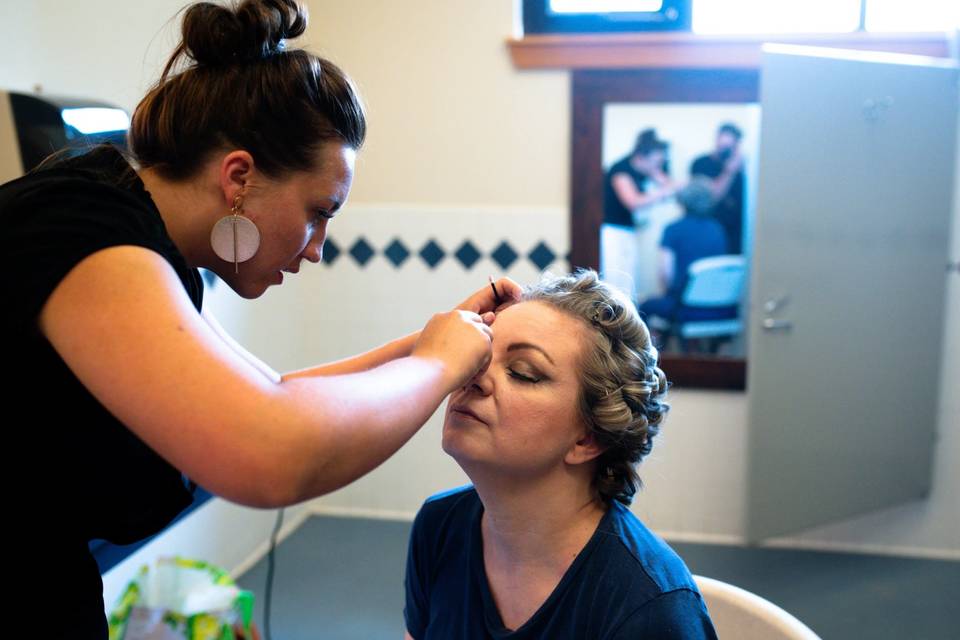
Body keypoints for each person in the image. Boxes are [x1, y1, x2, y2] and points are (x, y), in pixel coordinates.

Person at [0, 1, 520, 637]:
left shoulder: (143, 242)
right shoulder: (84, 227)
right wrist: (441, 365)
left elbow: (274, 395)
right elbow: (270, 450)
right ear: (238, 177)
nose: (316, 247)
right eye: (318, 211)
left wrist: (426, 343)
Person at [403, 270, 718, 640]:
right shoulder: (439, 527)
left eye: (523, 373)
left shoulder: (647, 606)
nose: (475, 377)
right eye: (479, 357)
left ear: (587, 438)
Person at [639, 179, 731, 350]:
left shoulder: (674, 229)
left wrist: (667, 294)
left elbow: (666, 273)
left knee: (643, 307)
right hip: (721, 308)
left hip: (685, 308)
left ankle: (649, 360)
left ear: (683, 201)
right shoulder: (718, 229)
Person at [601, 128, 679, 303]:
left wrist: (670, 185)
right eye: (655, 162)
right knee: (614, 283)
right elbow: (632, 201)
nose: (657, 167)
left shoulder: (645, 169)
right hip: (612, 232)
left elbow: (669, 184)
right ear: (641, 157)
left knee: (627, 283)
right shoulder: (620, 170)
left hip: (628, 231)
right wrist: (663, 192)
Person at [690, 122, 745, 254]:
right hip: (707, 230)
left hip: (736, 234)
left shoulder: (744, 168)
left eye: (729, 147)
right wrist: (729, 172)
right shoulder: (701, 164)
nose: (724, 151)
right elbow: (711, 196)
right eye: (723, 145)